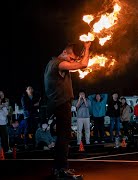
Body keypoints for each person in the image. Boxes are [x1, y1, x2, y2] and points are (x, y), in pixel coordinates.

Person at [44, 41, 91, 179]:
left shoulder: (57, 64)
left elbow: (79, 65)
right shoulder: (57, 63)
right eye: (71, 58)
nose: (72, 61)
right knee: (64, 137)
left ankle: (58, 169)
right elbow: (83, 65)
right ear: (64, 53)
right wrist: (87, 48)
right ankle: (61, 170)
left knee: (62, 137)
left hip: (59, 104)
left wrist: (82, 54)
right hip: (61, 104)